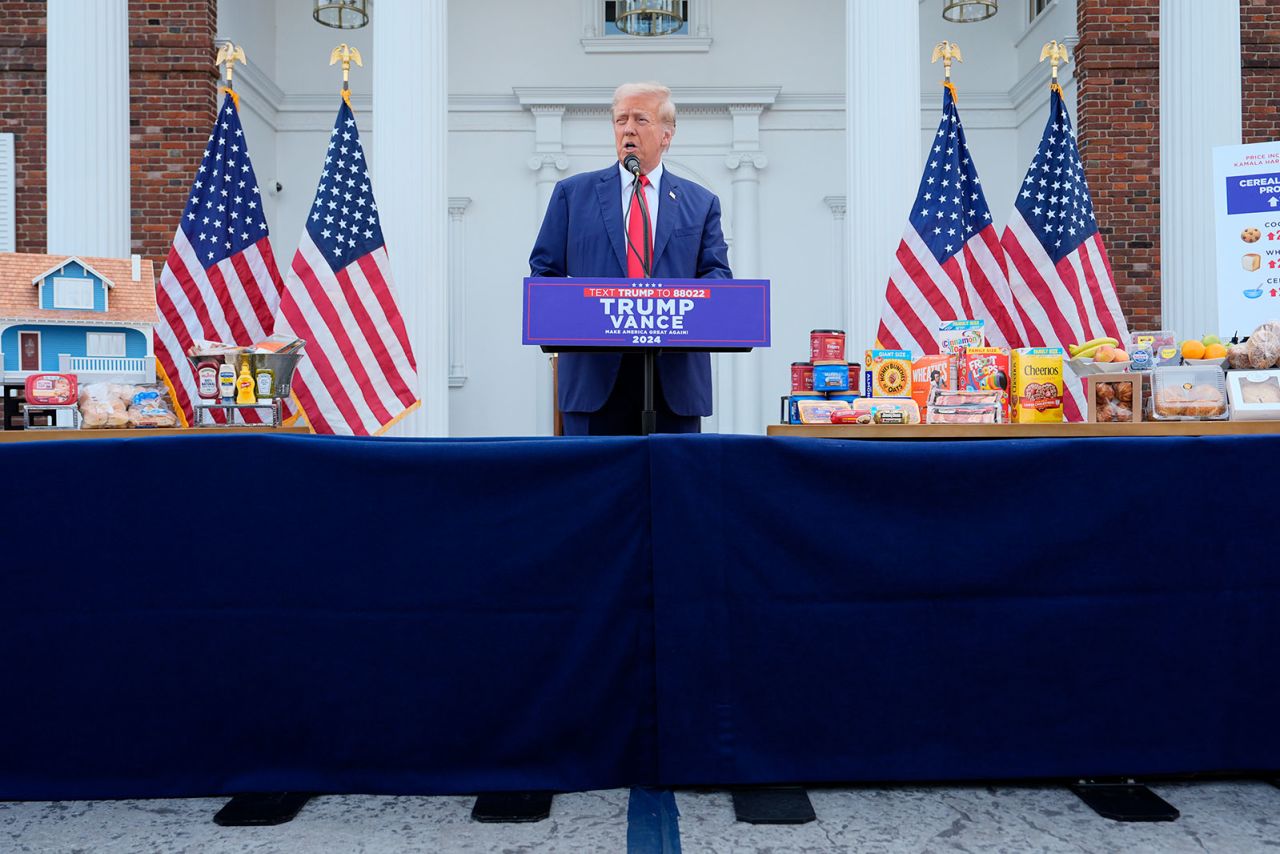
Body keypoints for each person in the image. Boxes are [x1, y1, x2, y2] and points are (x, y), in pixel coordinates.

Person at [529, 81, 732, 436]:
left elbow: (717, 277)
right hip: (595, 379)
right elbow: (544, 274)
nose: (628, 129)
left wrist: (675, 304)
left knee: (673, 489)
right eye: (620, 120)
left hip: (674, 380)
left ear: (667, 135)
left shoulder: (701, 203)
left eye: (641, 119)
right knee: (595, 490)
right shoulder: (572, 195)